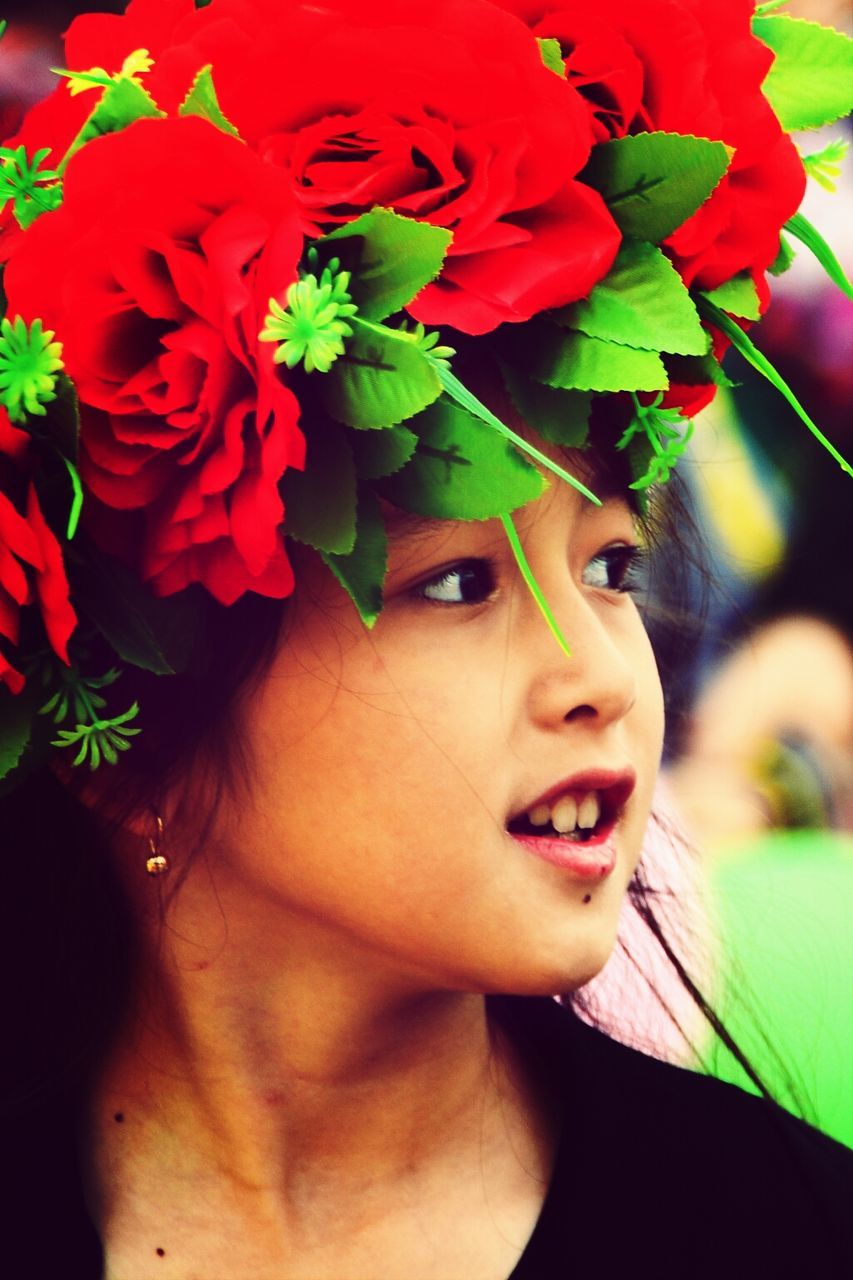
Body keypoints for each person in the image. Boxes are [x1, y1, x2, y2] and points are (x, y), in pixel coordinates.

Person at [0, 1, 851, 1276]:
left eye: (612, 566)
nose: (602, 677)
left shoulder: (778, 1230)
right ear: (126, 746)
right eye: (458, 584)